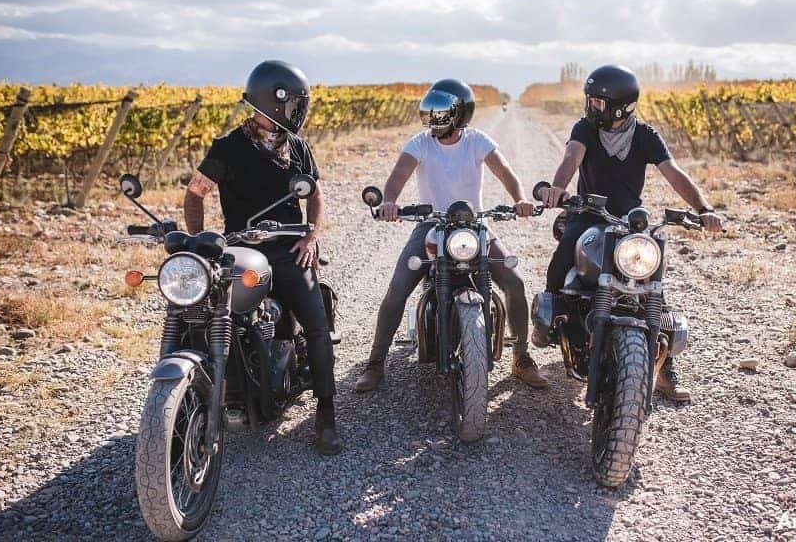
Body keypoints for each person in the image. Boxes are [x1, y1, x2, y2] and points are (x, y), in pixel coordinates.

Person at [183, 60, 342, 455]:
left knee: (317, 326)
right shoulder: (228, 148)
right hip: (241, 251)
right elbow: (194, 194)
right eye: (294, 106)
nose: (297, 114)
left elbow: (315, 195)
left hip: (289, 249)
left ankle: (326, 414)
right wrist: (198, 240)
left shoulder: (298, 147)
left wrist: (310, 235)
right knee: (211, 316)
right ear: (273, 102)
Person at [539, 64, 723, 403]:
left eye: (598, 103)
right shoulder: (585, 129)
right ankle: (549, 320)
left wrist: (704, 209)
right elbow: (571, 157)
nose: (591, 108)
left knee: (653, 288)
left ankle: (665, 372)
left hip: (628, 222)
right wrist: (558, 188)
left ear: (620, 106)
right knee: (564, 255)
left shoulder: (645, 136)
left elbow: (674, 173)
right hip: (588, 213)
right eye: (590, 101)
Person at [354, 78, 548, 392]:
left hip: (474, 225)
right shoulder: (421, 142)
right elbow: (397, 177)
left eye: (440, 111)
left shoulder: (477, 141)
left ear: (459, 114)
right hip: (431, 225)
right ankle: (376, 362)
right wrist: (389, 202)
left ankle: (522, 356)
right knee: (398, 286)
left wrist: (520, 200)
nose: (433, 118)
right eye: (430, 111)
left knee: (514, 281)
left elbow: (505, 172)